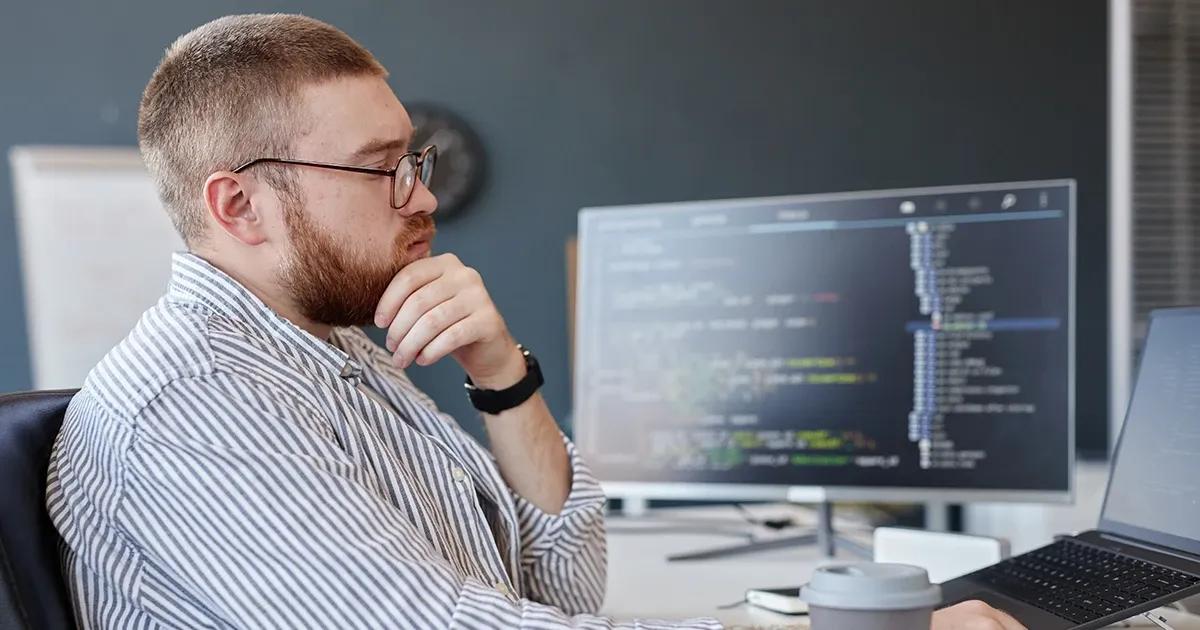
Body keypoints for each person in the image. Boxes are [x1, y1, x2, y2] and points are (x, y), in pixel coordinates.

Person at [46, 13, 1025, 630]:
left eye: (414, 162)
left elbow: (563, 590)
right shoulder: (194, 405)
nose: (420, 197)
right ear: (237, 207)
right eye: (379, 168)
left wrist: (501, 372)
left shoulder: (339, 352)